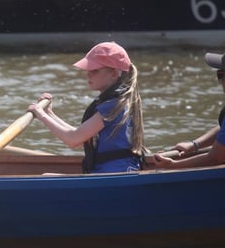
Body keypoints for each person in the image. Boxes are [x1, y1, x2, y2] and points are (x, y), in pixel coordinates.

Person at [28, 42, 145, 173]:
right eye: (89, 70)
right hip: (117, 173)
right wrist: (48, 113)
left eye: (95, 70)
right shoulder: (119, 102)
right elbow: (79, 139)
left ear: (114, 74)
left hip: (112, 177)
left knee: (46, 177)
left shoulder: (112, 106)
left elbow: (73, 140)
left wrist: (40, 115)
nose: (88, 74)